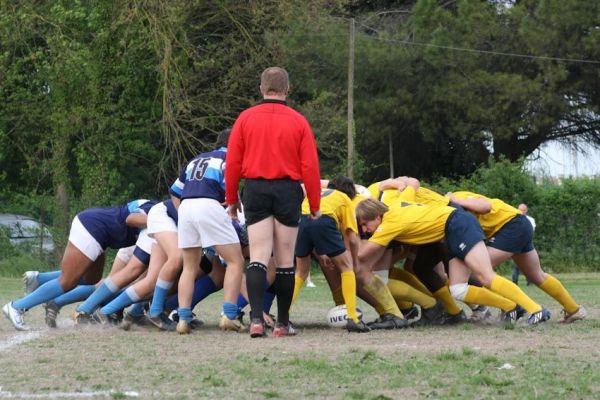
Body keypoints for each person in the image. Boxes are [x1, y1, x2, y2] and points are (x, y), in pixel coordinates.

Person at [355, 180, 551, 327]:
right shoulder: (394, 202)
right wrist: (394, 183)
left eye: (366, 223)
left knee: (485, 275)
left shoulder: (388, 224)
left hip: (458, 224)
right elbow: (413, 183)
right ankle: (511, 307)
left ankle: (536, 309)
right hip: (453, 227)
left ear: (377, 216)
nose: (365, 229)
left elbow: (364, 255)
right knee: (458, 289)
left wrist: (351, 239)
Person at [225, 66, 322, 338]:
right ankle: (282, 323)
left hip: (255, 188)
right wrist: (315, 203)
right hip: (288, 190)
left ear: (261, 88)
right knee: (284, 260)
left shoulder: (245, 118)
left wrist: (232, 199)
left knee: (257, 255)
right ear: (287, 89)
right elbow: (311, 167)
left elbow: (232, 163)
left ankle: (256, 320)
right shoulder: (299, 121)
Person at [3, 199, 156, 331]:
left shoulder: (158, 211)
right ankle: (17, 307)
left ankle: (39, 279)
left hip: (101, 235)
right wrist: (160, 221)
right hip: (94, 227)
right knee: (67, 281)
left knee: (91, 278)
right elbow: (131, 219)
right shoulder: (156, 211)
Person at [448, 192, 585, 323]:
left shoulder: (455, 197)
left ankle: (518, 307)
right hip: (519, 224)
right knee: (537, 276)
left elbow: (485, 206)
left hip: (509, 226)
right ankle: (573, 309)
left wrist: (455, 200)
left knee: (479, 272)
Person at [175, 128, 245, 334]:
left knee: (189, 267)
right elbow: (229, 188)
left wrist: (186, 213)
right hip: (209, 204)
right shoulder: (229, 158)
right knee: (235, 261)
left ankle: (183, 319)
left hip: (186, 206)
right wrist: (235, 204)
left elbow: (175, 191)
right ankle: (229, 316)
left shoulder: (196, 159)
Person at [512, 203, 535, 285]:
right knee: (517, 264)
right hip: (516, 243)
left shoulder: (531, 220)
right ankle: (514, 281)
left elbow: (531, 232)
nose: (521, 212)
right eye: (520, 210)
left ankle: (530, 281)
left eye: (523, 210)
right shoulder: (513, 220)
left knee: (529, 264)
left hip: (527, 243)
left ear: (526, 210)